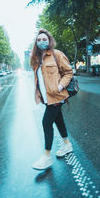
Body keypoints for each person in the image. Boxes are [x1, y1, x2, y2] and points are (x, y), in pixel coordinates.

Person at [30, 28, 74, 170]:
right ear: (36, 43)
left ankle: (46, 157)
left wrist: (61, 86)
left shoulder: (57, 54)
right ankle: (67, 145)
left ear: (49, 41)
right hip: (47, 98)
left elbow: (68, 72)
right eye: (39, 40)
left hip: (57, 96)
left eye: (44, 39)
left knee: (46, 123)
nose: (42, 41)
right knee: (58, 119)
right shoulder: (37, 59)